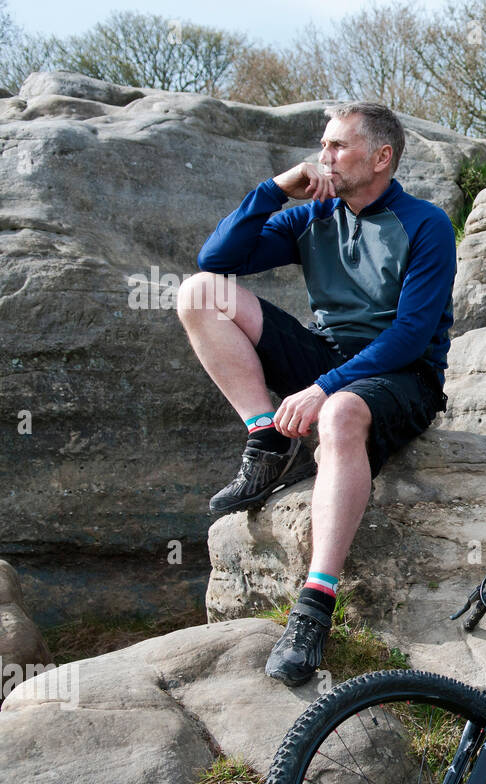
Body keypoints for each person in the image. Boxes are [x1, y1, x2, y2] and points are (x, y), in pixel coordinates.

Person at [176, 101, 456, 686]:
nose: (321, 157)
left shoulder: (426, 224)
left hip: (403, 376)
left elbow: (409, 336)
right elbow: (217, 259)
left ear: (381, 157)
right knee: (200, 293)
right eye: (322, 145)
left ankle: (313, 608)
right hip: (326, 354)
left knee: (341, 414)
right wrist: (279, 187)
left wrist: (324, 389)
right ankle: (267, 438)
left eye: (336, 147)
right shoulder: (314, 213)